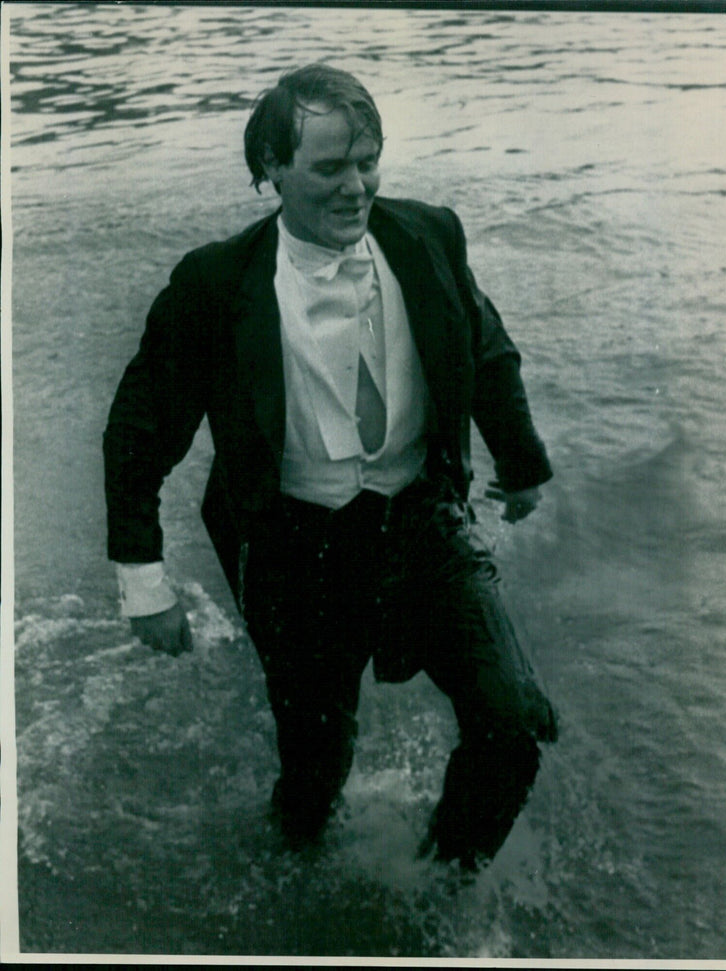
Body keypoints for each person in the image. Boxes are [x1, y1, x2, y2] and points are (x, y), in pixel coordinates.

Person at [104, 63, 557, 871]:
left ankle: (443, 887)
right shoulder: (214, 285)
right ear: (271, 169)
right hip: (294, 550)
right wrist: (146, 582)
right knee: (315, 776)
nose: (356, 188)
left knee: (513, 722)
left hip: (425, 523)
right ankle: (294, 878)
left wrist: (521, 465)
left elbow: (485, 349)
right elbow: (141, 430)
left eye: (368, 162)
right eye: (328, 168)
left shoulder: (430, 235)